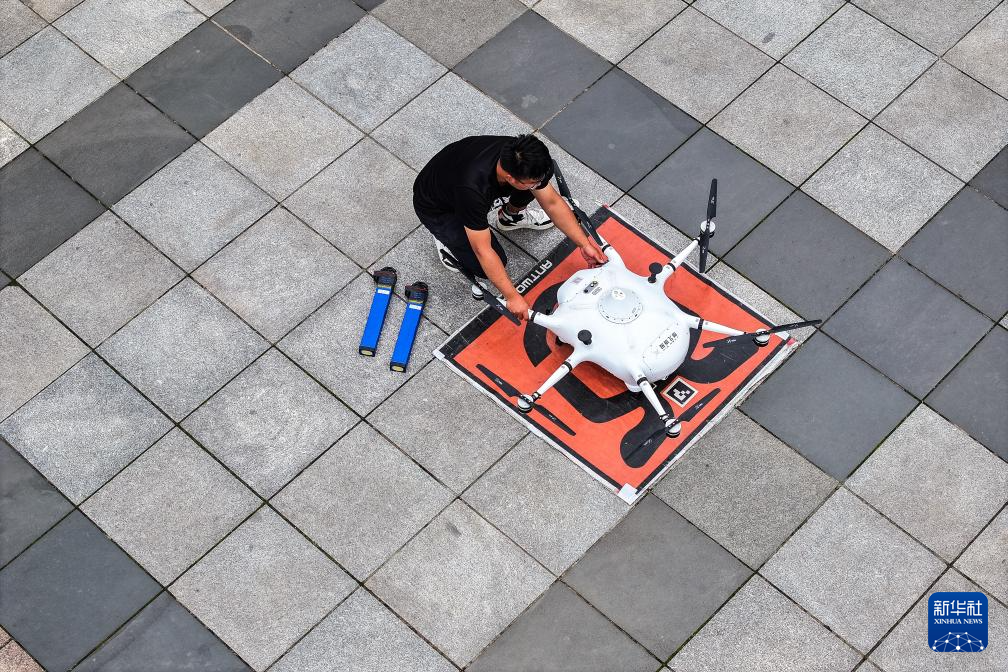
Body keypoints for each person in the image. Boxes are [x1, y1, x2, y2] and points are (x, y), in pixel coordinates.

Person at [413, 134, 608, 321]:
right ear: (510, 178)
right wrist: (512, 296)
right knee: (486, 264)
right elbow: (483, 250)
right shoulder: (472, 190)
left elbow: (552, 203)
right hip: (438, 205)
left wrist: (584, 244)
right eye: (534, 182)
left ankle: (509, 216)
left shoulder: (523, 157)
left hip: (461, 175)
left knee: (532, 188)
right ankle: (445, 239)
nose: (540, 184)